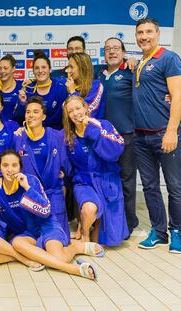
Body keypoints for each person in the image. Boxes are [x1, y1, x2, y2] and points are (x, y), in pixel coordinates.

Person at [0, 150, 103, 280]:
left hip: (47, 225)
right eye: (5, 165)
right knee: (17, 242)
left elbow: (45, 210)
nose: (10, 169)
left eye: (14, 165)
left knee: (60, 258)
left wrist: (27, 188)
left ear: (20, 167)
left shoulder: (31, 181)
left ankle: (76, 248)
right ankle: (67, 261)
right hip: (28, 232)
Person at [132, 18, 181, 253]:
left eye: (148, 32)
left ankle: (177, 233)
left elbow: (178, 97)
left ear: (158, 34)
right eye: (140, 33)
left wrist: (172, 131)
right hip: (141, 137)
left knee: (175, 186)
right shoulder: (140, 62)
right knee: (150, 187)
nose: (144, 36)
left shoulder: (169, 58)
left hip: (165, 133)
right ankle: (159, 231)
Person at [63, 96, 128, 246]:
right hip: (84, 182)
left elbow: (116, 151)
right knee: (89, 209)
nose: (75, 113)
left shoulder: (103, 125)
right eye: (70, 111)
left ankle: (94, 227)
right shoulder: (67, 136)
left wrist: (93, 130)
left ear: (86, 108)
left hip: (107, 181)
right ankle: (85, 235)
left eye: (78, 108)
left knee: (106, 240)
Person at [98, 37, 139, 236]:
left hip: (126, 136)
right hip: (103, 139)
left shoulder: (131, 71)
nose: (112, 52)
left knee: (127, 181)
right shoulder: (99, 73)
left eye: (116, 48)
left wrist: (134, 60)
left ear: (123, 52)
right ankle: (110, 222)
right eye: (107, 49)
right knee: (106, 180)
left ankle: (129, 223)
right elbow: (67, 71)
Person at [14, 96, 71, 235]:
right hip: (31, 197)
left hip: (54, 195)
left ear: (43, 116)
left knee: (59, 239)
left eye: (35, 111)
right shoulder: (18, 138)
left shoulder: (56, 136)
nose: (31, 115)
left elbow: (66, 166)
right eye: (28, 112)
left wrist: (62, 173)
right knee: (35, 241)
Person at [18, 51, 68, 129]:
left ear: (50, 69)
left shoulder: (61, 88)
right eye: (37, 68)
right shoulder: (28, 89)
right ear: (33, 71)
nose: (40, 71)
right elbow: (21, 118)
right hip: (33, 133)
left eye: (44, 67)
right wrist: (22, 103)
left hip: (56, 134)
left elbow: (63, 118)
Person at [65, 53, 105, 119]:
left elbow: (86, 112)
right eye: (68, 67)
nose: (68, 71)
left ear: (82, 68)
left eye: (71, 67)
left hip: (93, 128)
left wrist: (72, 92)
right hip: (74, 129)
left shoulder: (97, 85)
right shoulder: (69, 85)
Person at [0, 54, 23, 122]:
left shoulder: (22, 87)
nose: (2, 71)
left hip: (17, 130)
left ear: (13, 69)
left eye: (5, 68)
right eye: (0, 68)